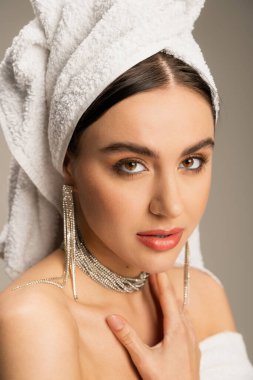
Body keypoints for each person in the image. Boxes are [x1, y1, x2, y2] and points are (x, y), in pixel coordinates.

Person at [0, 1, 252, 379]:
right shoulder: (34, 320)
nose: (170, 205)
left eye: (191, 161)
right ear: (69, 163)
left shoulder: (203, 294)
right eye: (131, 165)